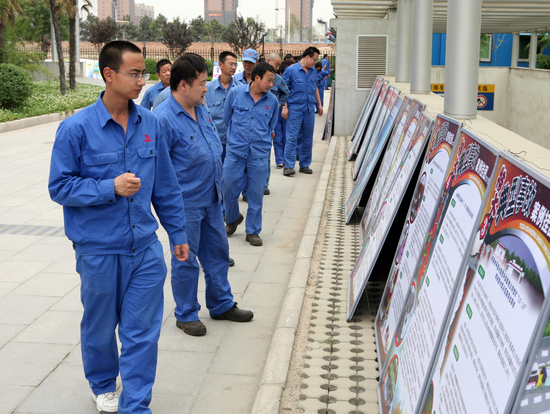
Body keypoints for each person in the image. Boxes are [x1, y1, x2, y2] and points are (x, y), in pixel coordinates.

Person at [48, 41, 189, 414]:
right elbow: (59, 187)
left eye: (143, 73)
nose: (142, 80)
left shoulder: (151, 124)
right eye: (134, 73)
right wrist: (107, 186)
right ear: (109, 74)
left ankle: (136, 404)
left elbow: (166, 185)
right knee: (99, 327)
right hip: (98, 249)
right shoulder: (75, 129)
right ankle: (103, 384)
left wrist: (177, 233)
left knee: (142, 332)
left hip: (143, 247)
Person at [154, 53, 253, 337]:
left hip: (212, 199)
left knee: (218, 255)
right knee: (186, 259)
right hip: (185, 205)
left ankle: (221, 304)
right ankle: (185, 313)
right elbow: (158, 170)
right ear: (183, 85)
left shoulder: (202, 109)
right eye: (200, 83)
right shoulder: (163, 119)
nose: (205, 88)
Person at [223, 62, 278, 247]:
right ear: (257, 78)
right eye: (269, 80)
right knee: (228, 189)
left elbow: (271, 127)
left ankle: (253, 231)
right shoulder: (235, 94)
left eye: (273, 81)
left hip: (259, 154)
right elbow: (226, 118)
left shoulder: (273, 101)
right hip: (235, 152)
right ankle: (232, 218)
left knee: (256, 195)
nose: (271, 84)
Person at [282, 46, 323, 177]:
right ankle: (288, 165)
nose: (315, 63)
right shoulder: (291, 70)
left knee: (307, 138)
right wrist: (284, 107)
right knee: (292, 137)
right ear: (307, 57)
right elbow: (284, 90)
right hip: (295, 109)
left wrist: (320, 105)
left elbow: (315, 87)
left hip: (309, 109)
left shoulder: (313, 72)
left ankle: (304, 164)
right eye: (314, 60)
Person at [205, 51, 238, 161]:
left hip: (234, 143)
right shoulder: (207, 89)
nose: (233, 67)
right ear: (220, 65)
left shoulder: (240, 89)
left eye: (235, 64)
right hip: (215, 141)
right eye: (230, 64)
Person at [264, 52, 290, 191]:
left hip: (271, 116)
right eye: (277, 64)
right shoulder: (257, 76)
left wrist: (280, 104)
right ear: (268, 61)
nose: (278, 67)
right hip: (254, 118)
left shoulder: (278, 79)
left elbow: (286, 92)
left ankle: (264, 183)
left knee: (269, 147)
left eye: (279, 65)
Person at [273, 61, 291, 168]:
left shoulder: (281, 81)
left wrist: (284, 106)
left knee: (286, 136)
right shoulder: (274, 80)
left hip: (284, 110)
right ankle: (279, 159)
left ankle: (286, 158)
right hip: (276, 111)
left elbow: (286, 94)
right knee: (277, 136)